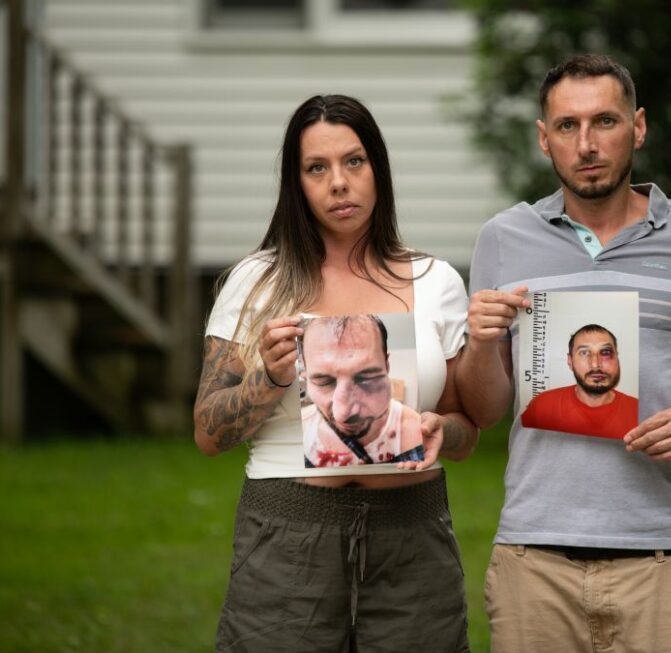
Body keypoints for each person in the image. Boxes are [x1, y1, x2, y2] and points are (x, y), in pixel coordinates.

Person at [455, 54, 671, 652]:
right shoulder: (503, 240)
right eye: (566, 126)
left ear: (637, 127)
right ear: (543, 138)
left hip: (668, 560)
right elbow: (482, 410)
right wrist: (481, 344)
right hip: (535, 562)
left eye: (604, 122)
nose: (586, 144)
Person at [193, 94, 476, 652]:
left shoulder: (435, 280)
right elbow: (207, 432)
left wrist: (447, 432)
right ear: (295, 183)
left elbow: (466, 431)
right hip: (287, 540)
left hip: (412, 539)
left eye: (354, 162)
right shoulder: (256, 282)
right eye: (316, 168)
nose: (338, 183)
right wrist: (267, 378)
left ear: (379, 169)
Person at [299, 314, 424, 466]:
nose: (343, 414)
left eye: (366, 379)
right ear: (304, 374)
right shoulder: (295, 434)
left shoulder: (419, 432)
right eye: (324, 382)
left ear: (387, 366)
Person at [519, 323, 639, 439]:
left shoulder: (638, 411)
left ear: (617, 358)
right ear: (570, 361)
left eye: (605, 352)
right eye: (584, 353)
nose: (595, 364)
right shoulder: (542, 405)